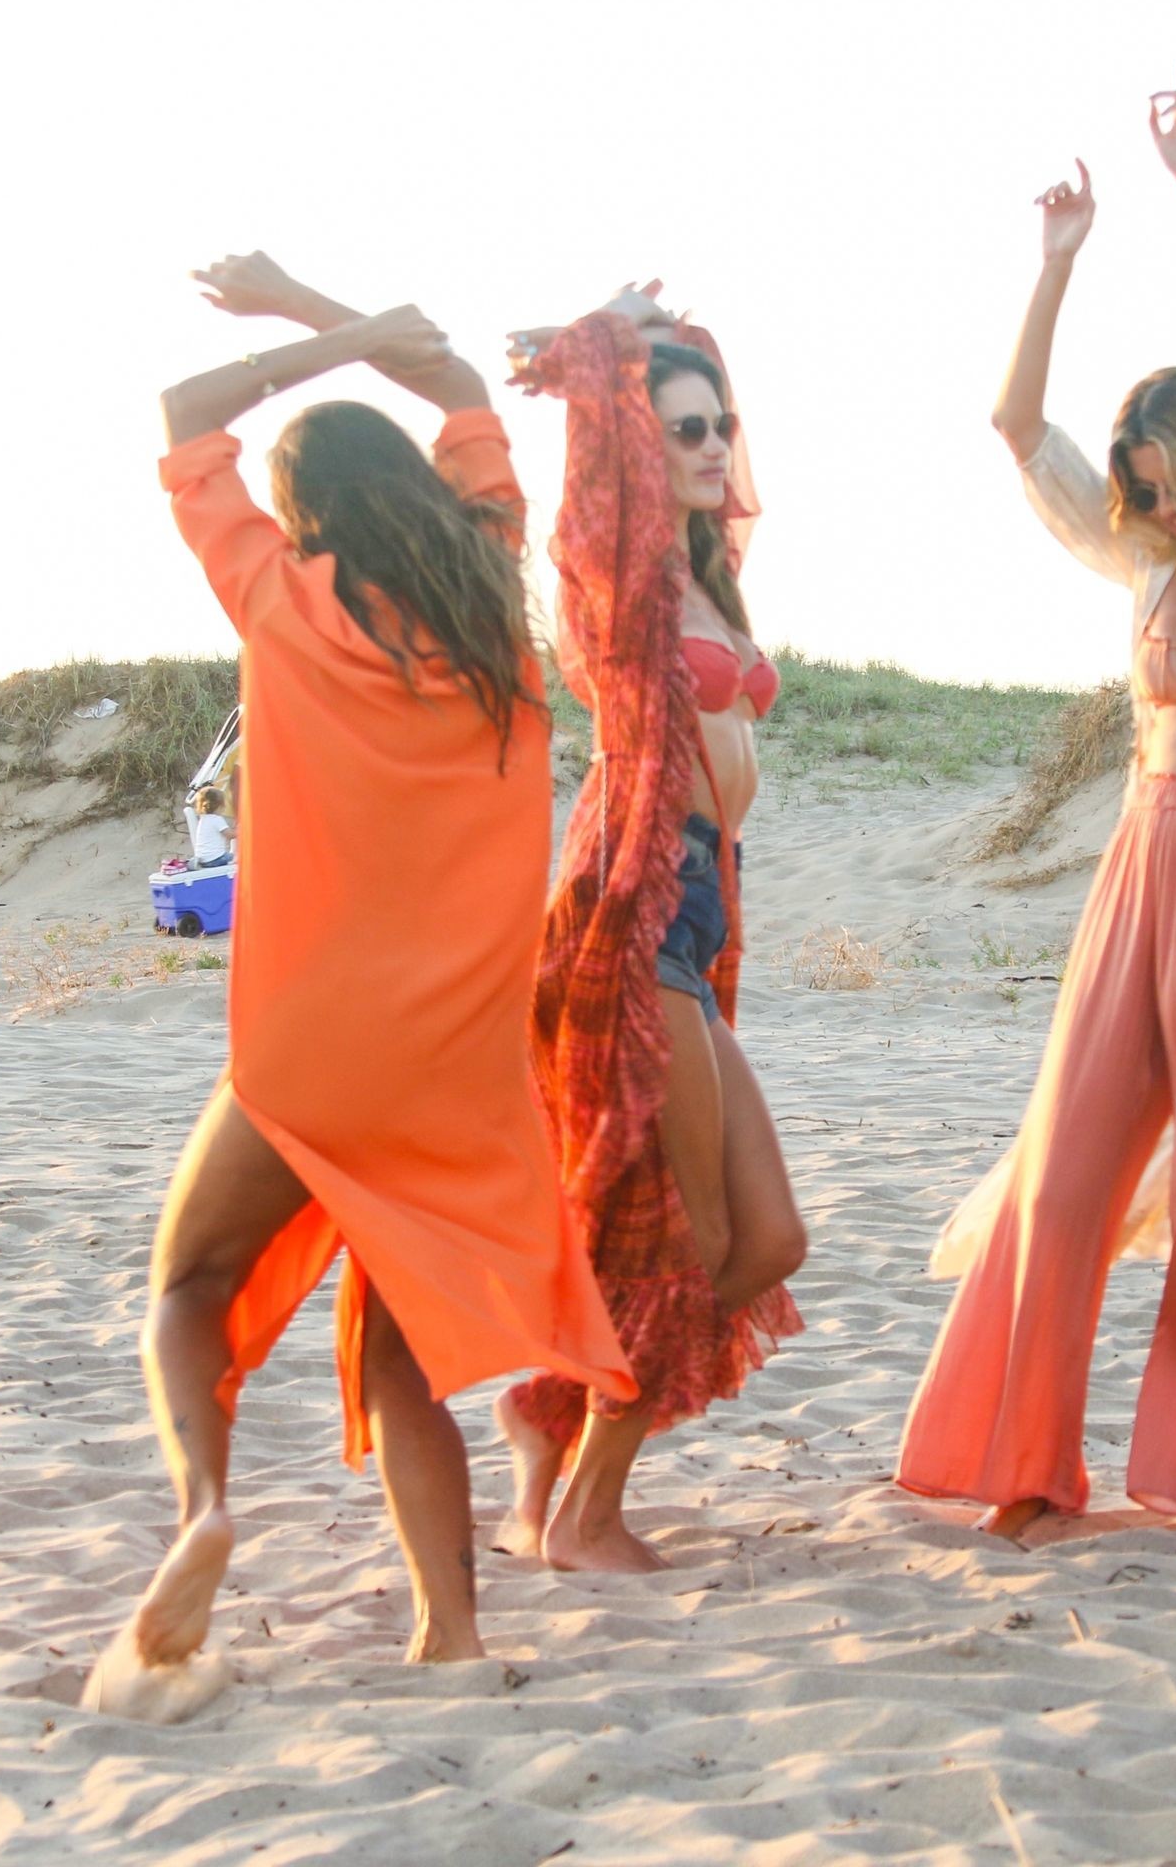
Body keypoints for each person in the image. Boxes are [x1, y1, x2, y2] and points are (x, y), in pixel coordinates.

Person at [87, 285, 635, 1721]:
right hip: (452, 1069)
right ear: (421, 495)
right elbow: (458, 385)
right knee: (403, 1361)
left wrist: (312, 334)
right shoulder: (494, 602)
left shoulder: (279, 597)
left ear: (302, 513)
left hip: (310, 1045)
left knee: (190, 1288)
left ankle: (205, 1507)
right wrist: (365, 329)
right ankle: (448, 1633)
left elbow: (182, 416)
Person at [898, 68, 1176, 1554]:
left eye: (1168, 484)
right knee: (1066, 1172)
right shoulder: (1147, 568)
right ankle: (1024, 1462)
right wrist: (1055, 264)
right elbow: (1014, 421)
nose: (1155, 510)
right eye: (1140, 492)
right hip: (1140, 868)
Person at [493, 285, 808, 1574]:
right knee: (700, 1236)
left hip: (700, 902)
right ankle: (583, 1514)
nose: (715, 445)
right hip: (636, 898)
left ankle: (548, 1414)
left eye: (721, 423)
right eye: (685, 430)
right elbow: (571, 460)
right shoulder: (620, 579)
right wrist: (606, 346)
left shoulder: (703, 577)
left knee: (767, 1240)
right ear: (638, 443)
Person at [190, 785, 233, 866]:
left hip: (202, 860)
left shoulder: (203, 819)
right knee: (235, 857)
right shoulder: (217, 819)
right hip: (216, 859)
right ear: (219, 805)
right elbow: (230, 835)